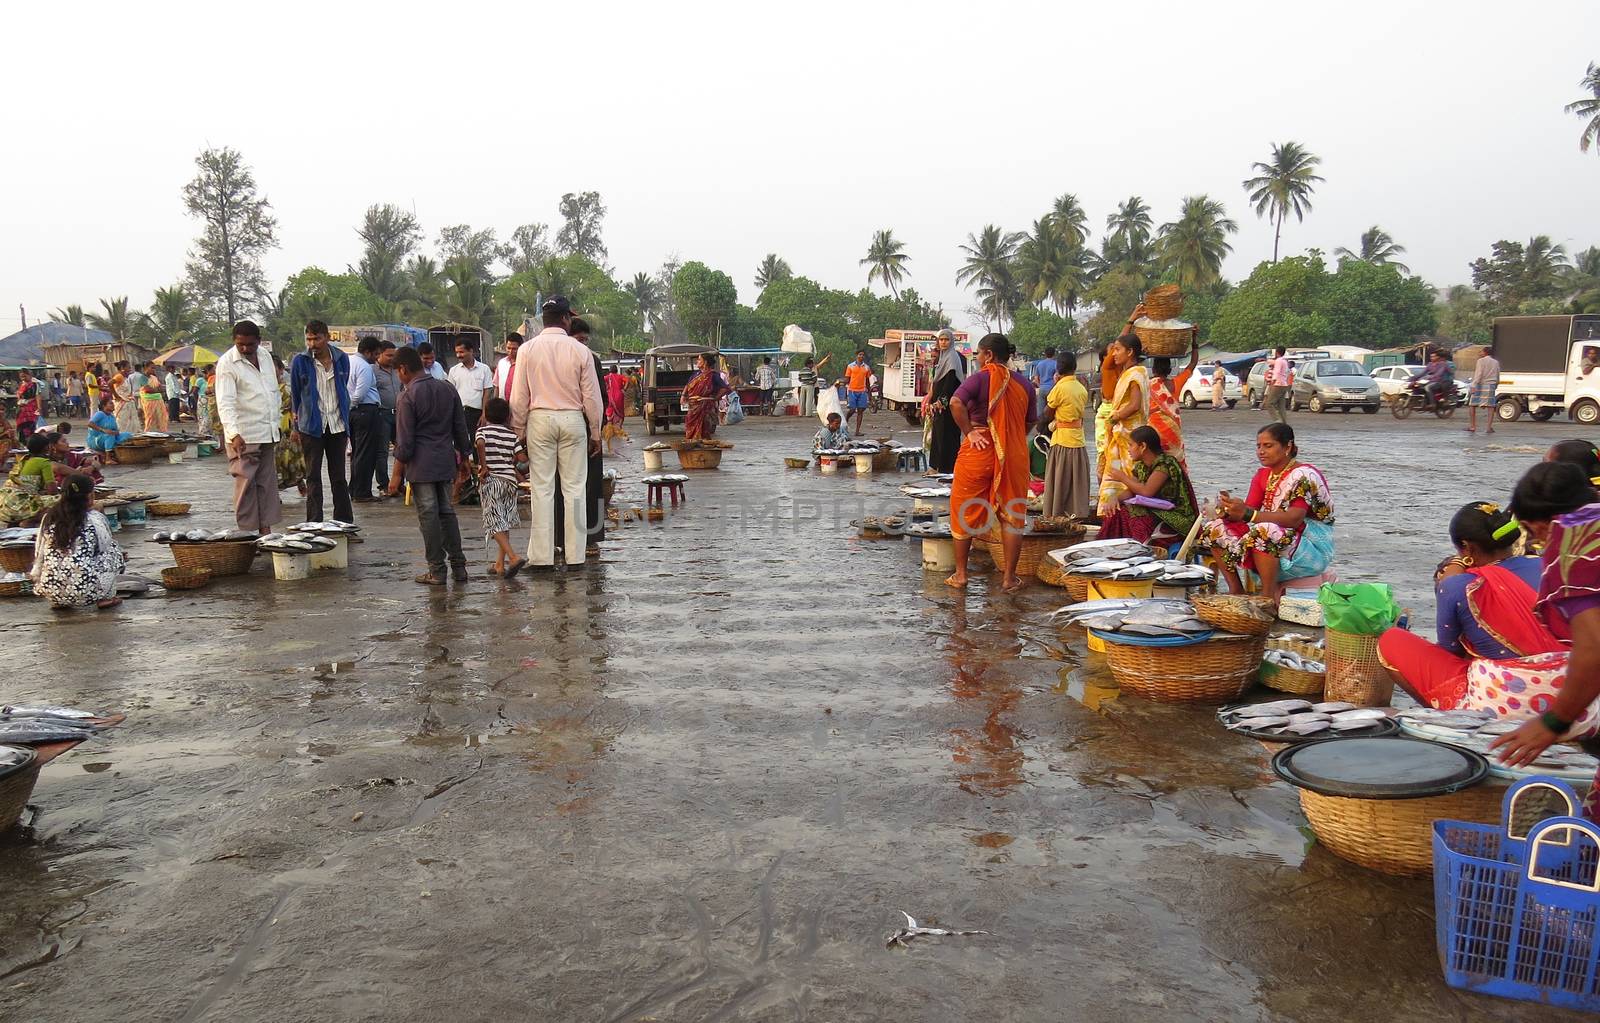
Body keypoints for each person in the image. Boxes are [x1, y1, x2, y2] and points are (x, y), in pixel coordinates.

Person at [1378, 502, 1560, 709]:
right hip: (1573, 696)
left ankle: (1449, 715)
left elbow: (1450, 651)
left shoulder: (1459, 585)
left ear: (1468, 547)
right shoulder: (1550, 565)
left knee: (1391, 640)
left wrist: (1455, 568)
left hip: (1510, 703)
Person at [1491, 464, 1600, 800]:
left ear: (1541, 521)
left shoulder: (1570, 544)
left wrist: (1554, 721)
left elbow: (1595, 647)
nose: (1535, 540)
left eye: (1530, 530)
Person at [509, 296, 603, 571]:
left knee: (542, 489)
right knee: (575, 489)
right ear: (566, 319)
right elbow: (592, 397)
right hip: (573, 420)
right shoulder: (580, 351)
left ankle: (542, 557)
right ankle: (575, 556)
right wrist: (595, 432)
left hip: (539, 419)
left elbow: (518, 397)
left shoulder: (527, 350)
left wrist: (519, 431)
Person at [1199, 422, 1335, 600]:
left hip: (1312, 548)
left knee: (1264, 530)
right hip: (1281, 538)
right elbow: (1248, 512)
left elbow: (1294, 519)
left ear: (1288, 446)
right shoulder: (1263, 475)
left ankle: (1267, 598)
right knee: (1215, 528)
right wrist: (1227, 510)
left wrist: (1248, 514)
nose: (1261, 451)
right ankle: (1236, 591)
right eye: (1258, 446)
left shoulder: (1304, 476)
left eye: (1268, 446)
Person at [946, 333, 1037, 591]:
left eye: (978, 354)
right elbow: (1031, 421)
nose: (976, 359)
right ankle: (1008, 578)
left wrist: (970, 432)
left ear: (988, 355)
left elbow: (955, 402)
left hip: (979, 449)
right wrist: (1011, 438)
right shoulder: (1025, 384)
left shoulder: (979, 378)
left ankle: (961, 574)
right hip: (1013, 455)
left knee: (964, 509)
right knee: (1012, 515)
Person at [387, 346, 472, 585]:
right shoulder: (447, 388)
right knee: (446, 512)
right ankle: (459, 566)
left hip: (421, 466)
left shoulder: (407, 396)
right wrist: (464, 459)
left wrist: (395, 475)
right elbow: (460, 428)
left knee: (429, 516)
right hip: (445, 461)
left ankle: (436, 569)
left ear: (403, 369)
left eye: (398, 372)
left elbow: (404, 443)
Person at [214, 320, 284, 535]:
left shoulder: (264, 356)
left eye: (250, 344)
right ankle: (247, 532)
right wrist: (233, 433)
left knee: (267, 484)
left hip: (267, 430)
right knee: (245, 484)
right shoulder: (227, 363)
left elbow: (273, 391)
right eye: (240, 344)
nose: (245, 349)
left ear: (258, 341)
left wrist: (278, 422)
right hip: (244, 435)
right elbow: (225, 401)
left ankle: (266, 531)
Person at [289, 320, 353, 524]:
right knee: (313, 477)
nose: (312, 343)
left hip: (338, 425)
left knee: (339, 478)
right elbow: (296, 396)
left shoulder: (341, 358)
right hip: (311, 427)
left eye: (316, 338)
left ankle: (343, 523)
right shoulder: (300, 361)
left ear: (326, 337)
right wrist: (296, 427)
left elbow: (343, 389)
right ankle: (314, 524)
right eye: (308, 339)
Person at [30, 474, 123, 610]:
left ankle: (60, 600)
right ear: (89, 496)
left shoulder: (49, 517)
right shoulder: (95, 518)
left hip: (51, 590)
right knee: (113, 550)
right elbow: (105, 547)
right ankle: (105, 598)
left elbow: (39, 553)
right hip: (86, 593)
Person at [555, 318, 607, 557]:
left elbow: (599, 399)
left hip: (582, 429)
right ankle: (562, 538)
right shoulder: (575, 358)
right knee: (564, 485)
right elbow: (595, 398)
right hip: (572, 428)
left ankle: (590, 538)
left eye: (586, 340)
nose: (583, 345)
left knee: (590, 485)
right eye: (579, 340)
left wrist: (596, 430)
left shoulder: (590, 359)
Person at [1098, 426, 1199, 546]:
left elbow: (1147, 492)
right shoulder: (1141, 466)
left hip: (1175, 515)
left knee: (1135, 514)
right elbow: (1131, 491)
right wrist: (1114, 498)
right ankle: (1114, 549)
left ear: (1143, 446)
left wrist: (1123, 478)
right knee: (1116, 511)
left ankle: (1141, 550)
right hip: (1155, 511)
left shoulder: (1165, 464)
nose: (1129, 449)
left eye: (1131, 445)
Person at [1096, 333, 1151, 516]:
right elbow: (1107, 365)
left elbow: (1135, 404)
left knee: (1130, 477)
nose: (1114, 354)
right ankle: (1115, 517)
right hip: (1121, 435)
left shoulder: (1135, 373)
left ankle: (1130, 516)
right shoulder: (1126, 373)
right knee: (1116, 478)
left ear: (1130, 352)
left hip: (1130, 436)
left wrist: (1115, 417)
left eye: (1118, 350)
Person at [475, 397, 526, 579]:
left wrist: (484, 465)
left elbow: (480, 443)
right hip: (509, 482)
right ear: (507, 417)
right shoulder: (511, 435)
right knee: (503, 521)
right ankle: (499, 564)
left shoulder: (483, 431)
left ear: (486, 415)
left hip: (492, 481)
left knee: (493, 521)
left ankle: (513, 557)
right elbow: (521, 459)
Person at [1041, 351, 1090, 520]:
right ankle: (1076, 514)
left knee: (1058, 480)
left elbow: (1047, 412)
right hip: (1078, 440)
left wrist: (1056, 384)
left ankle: (1056, 515)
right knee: (1076, 483)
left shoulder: (1060, 388)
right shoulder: (1081, 388)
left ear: (1058, 368)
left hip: (1062, 440)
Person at [348, 337, 385, 503]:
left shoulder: (349, 361)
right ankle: (362, 492)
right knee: (365, 453)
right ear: (368, 352)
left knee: (357, 452)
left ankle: (355, 489)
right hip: (365, 410)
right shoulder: (364, 366)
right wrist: (353, 404)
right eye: (376, 354)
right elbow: (360, 392)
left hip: (355, 412)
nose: (377, 358)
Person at [1148, 346, 1198, 466]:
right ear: (1169, 370)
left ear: (1153, 369)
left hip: (1153, 430)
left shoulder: (1148, 384)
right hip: (1172, 429)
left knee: (1155, 463)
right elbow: (1193, 363)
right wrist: (1194, 342)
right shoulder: (1177, 382)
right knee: (1174, 463)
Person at [926, 329, 967, 474]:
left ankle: (946, 469)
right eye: (941, 340)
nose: (943, 342)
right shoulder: (942, 358)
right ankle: (935, 466)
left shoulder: (952, 358)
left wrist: (941, 401)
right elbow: (937, 382)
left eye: (946, 340)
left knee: (947, 436)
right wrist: (931, 401)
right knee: (938, 435)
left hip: (948, 405)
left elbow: (950, 383)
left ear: (951, 341)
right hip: (939, 405)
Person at [682, 351, 731, 441]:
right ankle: (691, 443)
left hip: (705, 406)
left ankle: (703, 446)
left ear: (705, 362)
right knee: (689, 424)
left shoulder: (713, 375)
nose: (697, 361)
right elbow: (688, 385)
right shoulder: (696, 374)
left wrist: (715, 398)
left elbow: (725, 388)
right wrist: (683, 396)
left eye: (699, 359)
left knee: (704, 427)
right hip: (693, 406)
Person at [449, 340, 494, 428]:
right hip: (459, 413)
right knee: (460, 441)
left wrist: (484, 415)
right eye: (457, 352)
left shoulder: (484, 369)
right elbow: (450, 394)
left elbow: (486, 394)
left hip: (477, 414)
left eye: (461, 352)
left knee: (476, 440)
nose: (458, 355)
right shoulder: (453, 371)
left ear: (471, 351)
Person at [373, 342, 399, 494]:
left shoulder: (397, 370)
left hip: (399, 414)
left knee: (402, 449)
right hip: (382, 414)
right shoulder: (372, 371)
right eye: (389, 355)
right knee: (382, 451)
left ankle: (400, 483)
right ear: (379, 354)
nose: (392, 358)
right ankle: (383, 485)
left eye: (393, 355)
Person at [1466, 344, 1501, 435]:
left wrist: (1473, 385)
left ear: (1485, 352)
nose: (1480, 353)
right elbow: (1497, 375)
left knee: (1472, 405)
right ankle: (1488, 427)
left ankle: (1473, 426)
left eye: (1481, 351)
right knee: (1490, 407)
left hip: (1480, 384)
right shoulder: (1496, 362)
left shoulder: (1480, 361)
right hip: (1491, 385)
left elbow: (1479, 374)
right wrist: (1496, 384)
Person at [843, 350, 872, 435]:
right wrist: (841, 384)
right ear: (856, 356)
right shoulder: (850, 366)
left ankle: (857, 431)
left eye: (863, 355)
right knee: (852, 410)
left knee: (860, 411)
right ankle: (845, 422)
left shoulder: (866, 367)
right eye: (860, 355)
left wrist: (869, 393)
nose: (861, 356)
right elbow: (847, 379)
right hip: (852, 390)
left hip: (862, 391)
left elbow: (867, 381)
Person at [111, 362, 141, 436]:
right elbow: (109, 383)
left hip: (128, 403)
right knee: (122, 423)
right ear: (122, 368)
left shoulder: (126, 378)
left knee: (131, 423)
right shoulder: (119, 376)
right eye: (128, 367)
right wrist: (116, 395)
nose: (130, 369)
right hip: (122, 404)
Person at [1263, 346, 1290, 424]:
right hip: (1284, 384)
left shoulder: (1278, 361)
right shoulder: (1284, 361)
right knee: (1281, 405)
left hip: (1277, 384)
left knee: (1269, 403)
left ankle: (1277, 420)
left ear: (1277, 352)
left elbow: (1277, 372)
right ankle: (1284, 422)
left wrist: (1273, 381)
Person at [139, 364, 168, 431]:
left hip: (158, 399)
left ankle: (161, 431)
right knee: (150, 418)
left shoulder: (154, 377)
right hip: (149, 401)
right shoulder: (142, 378)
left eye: (154, 368)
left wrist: (157, 390)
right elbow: (148, 390)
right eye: (152, 368)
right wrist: (158, 390)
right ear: (146, 368)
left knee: (161, 417)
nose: (153, 370)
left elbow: (159, 387)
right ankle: (149, 432)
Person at [1031, 346, 1058, 417]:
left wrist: (1040, 385)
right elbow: (1056, 377)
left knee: (1041, 411)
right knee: (1051, 411)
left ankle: (1041, 426)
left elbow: (1036, 378)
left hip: (1042, 389)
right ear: (1054, 354)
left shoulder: (1040, 364)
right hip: (1052, 389)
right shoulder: (1056, 364)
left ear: (1045, 354)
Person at [495, 332, 522, 400]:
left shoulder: (525, 364)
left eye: (514, 349)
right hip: (502, 405)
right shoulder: (501, 363)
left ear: (521, 347)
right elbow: (497, 386)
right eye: (508, 348)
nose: (510, 351)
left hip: (519, 405)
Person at [15, 369, 40, 441]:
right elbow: (19, 397)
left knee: (30, 426)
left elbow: (37, 396)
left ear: (30, 375)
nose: (23, 378)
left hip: (30, 409)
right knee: (21, 427)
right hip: (21, 410)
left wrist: (39, 408)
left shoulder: (34, 385)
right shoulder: (21, 384)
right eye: (21, 377)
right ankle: (22, 442)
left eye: (25, 376)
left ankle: (29, 443)